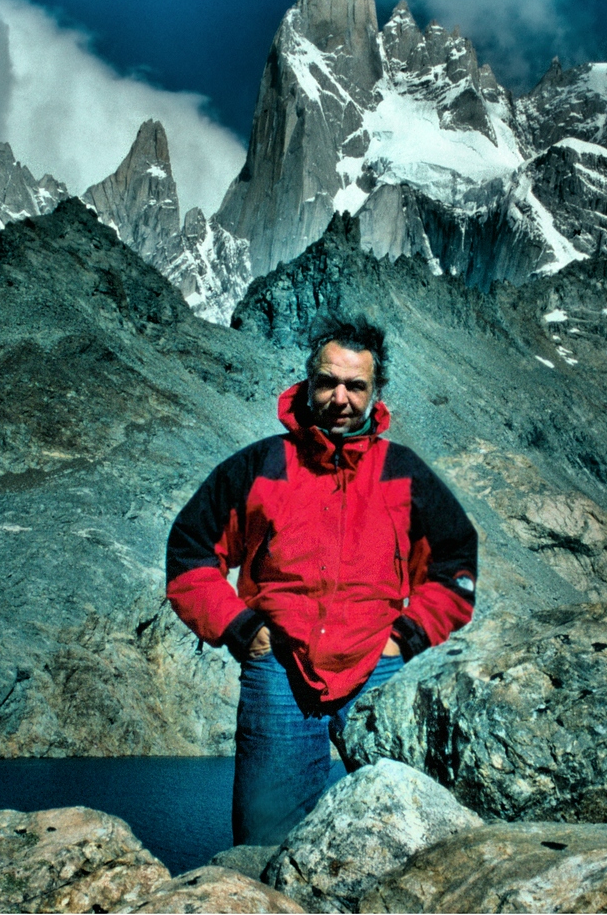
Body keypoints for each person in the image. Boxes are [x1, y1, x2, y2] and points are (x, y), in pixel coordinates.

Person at [165, 317, 478, 845]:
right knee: (266, 842)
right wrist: (243, 632)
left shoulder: (403, 472)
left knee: (403, 840)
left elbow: (456, 566)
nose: (340, 398)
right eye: (328, 382)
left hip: (380, 676)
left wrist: (406, 637)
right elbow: (191, 555)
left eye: (355, 386)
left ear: (374, 393)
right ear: (307, 383)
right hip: (280, 673)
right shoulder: (260, 465)